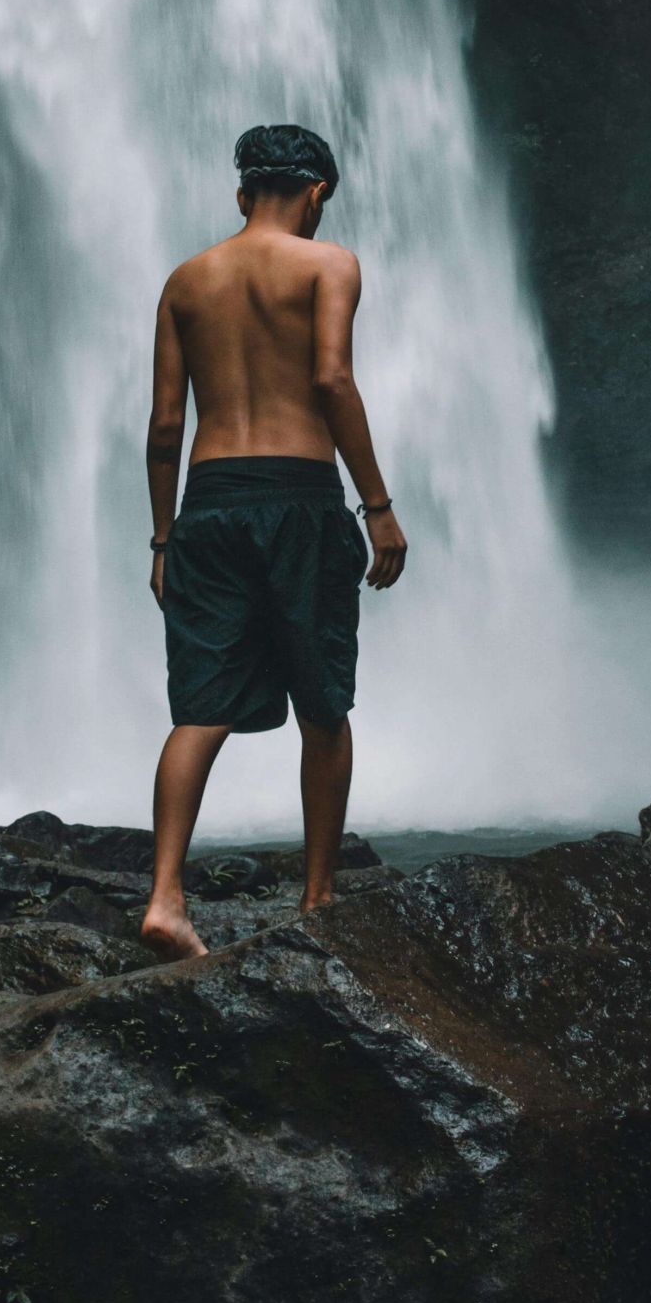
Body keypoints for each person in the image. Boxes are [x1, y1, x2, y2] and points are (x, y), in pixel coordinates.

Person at [138, 123, 408, 960]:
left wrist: (161, 539)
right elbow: (330, 379)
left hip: (210, 504)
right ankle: (319, 898)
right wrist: (378, 505)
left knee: (201, 710)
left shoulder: (187, 280)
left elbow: (165, 425)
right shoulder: (330, 265)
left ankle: (165, 898)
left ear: (241, 190)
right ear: (318, 192)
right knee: (323, 704)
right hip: (298, 497)